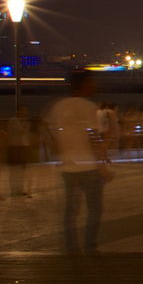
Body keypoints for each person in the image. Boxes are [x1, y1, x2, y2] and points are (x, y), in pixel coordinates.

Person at [48, 72, 111, 254]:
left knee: (70, 210)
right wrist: (101, 163)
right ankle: (90, 246)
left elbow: (51, 136)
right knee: (95, 208)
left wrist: (62, 154)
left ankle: (71, 247)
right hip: (88, 166)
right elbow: (92, 136)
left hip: (68, 166)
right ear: (85, 84)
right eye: (92, 82)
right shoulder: (88, 107)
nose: (95, 85)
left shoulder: (58, 106)